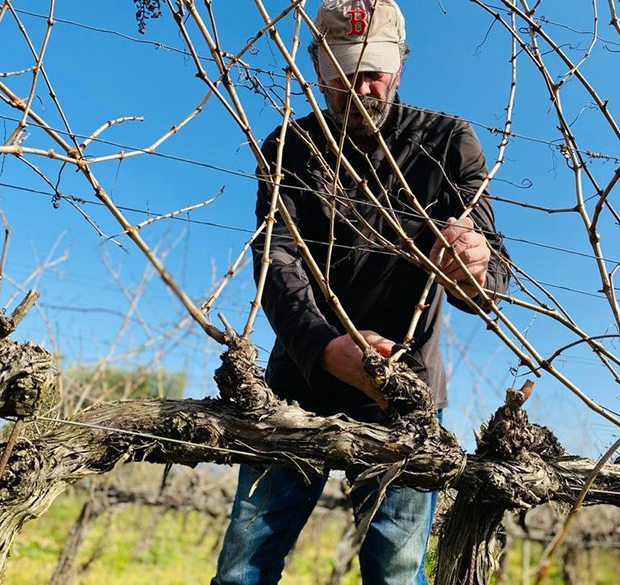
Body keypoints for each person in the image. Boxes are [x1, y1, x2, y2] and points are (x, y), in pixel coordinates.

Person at [211, 1, 509, 583]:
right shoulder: (287, 148)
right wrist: (326, 347)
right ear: (316, 65)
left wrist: (471, 268)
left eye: (374, 69)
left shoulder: (449, 143)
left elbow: (491, 277)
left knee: (396, 573)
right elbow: (276, 261)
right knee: (243, 566)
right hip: (299, 382)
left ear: (399, 66)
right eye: (343, 69)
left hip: (405, 395)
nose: (360, 85)